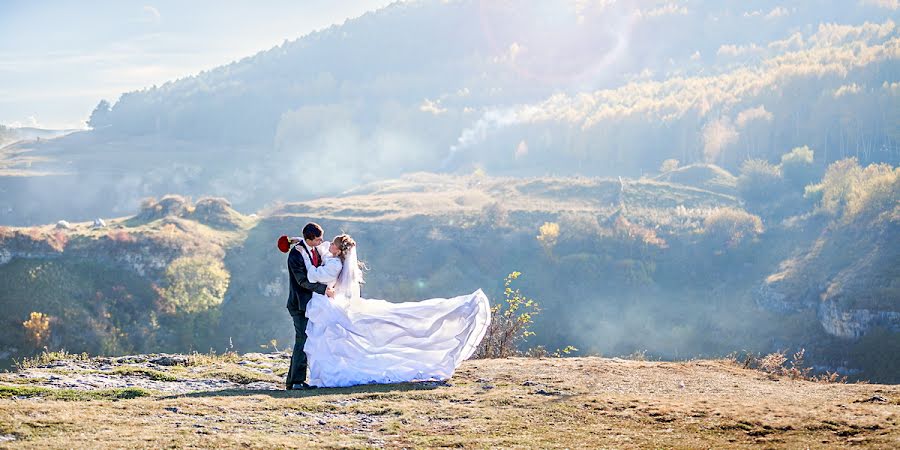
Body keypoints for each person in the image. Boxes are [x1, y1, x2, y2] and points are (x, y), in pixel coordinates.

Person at [297, 233, 490, 388]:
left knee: (330, 341)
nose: (327, 244)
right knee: (329, 341)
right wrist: (302, 242)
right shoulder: (334, 258)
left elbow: (313, 276)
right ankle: (323, 373)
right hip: (326, 302)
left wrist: (305, 255)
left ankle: (328, 373)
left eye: (333, 244)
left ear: (339, 250)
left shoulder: (334, 265)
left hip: (326, 303)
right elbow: (323, 248)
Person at [283, 222, 333, 390]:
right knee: (303, 340)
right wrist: (324, 289)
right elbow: (302, 281)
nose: (321, 242)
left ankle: (293, 381)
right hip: (299, 304)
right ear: (310, 239)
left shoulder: (312, 249)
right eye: (318, 239)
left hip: (312, 304)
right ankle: (296, 381)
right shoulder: (295, 255)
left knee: (306, 339)